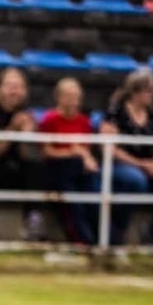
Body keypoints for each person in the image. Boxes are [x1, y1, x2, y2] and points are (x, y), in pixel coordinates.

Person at [100, 68, 153, 246]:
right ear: (136, 91)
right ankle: (118, 230)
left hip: (149, 164)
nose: (152, 95)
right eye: (148, 90)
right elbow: (110, 148)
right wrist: (139, 164)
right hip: (122, 164)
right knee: (135, 181)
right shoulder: (116, 112)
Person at [0, 67, 43, 241]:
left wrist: (27, 136)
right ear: (0, 89)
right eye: (10, 86)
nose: (15, 91)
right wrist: (12, 130)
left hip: (19, 171)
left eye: (19, 86)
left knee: (37, 169)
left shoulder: (27, 114)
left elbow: (31, 155)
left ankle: (33, 221)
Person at [38, 76, 98, 246]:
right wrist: (72, 151)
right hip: (58, 170)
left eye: (76, 97)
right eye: (69, 96)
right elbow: (47, 151)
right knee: (73, 201)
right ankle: (82, 240)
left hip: (80, 171)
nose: (73, 101)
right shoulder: (49, 120)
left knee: (94, 195)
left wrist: (84, 156)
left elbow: (85, 150)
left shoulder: (84, 121)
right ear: (59, 97)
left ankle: (104, 240)